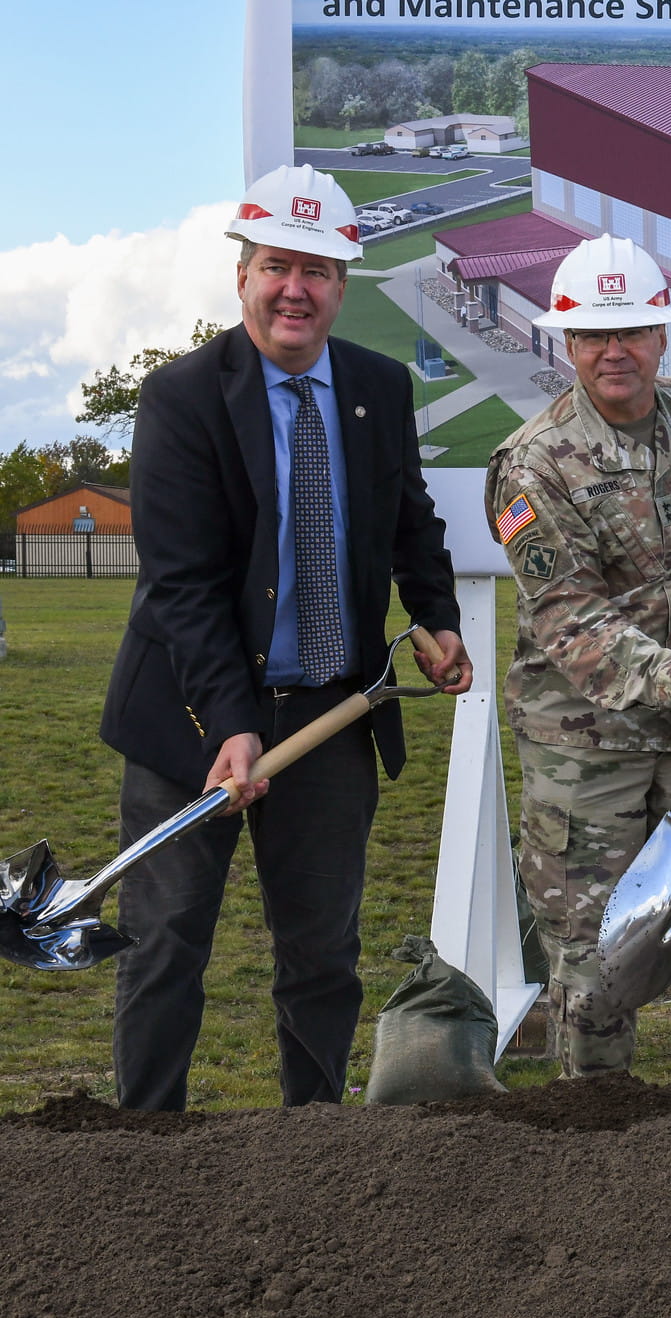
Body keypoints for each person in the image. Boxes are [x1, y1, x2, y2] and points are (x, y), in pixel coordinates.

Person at [100, 165, 471, 1111]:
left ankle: (314, 1153)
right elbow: (180, 589)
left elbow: (408, 521)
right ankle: (145, 1150)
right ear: (243, 275)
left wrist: (436, 618)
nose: (294, 289)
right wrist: (228, 723)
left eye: (316, 271)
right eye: (276, 267)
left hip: (330, 712)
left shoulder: (378, 389)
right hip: (188, 720)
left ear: (343, 284)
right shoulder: (180, 398)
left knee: (321, 952)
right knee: (167, 941)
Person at [486, 234, 671, 1088]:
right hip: (587, 750)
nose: (614, 350)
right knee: (593, 961)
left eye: (633, 331)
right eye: (593, 335)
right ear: (565, 343)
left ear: (661, 335)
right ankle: (596, 1133)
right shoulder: (531, 465)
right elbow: (568, 616)